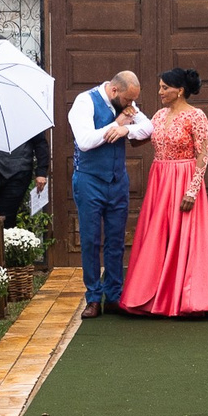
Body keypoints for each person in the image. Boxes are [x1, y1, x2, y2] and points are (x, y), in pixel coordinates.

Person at [121, 67, 208, 317]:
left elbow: (203, 154)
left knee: (184, 235)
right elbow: (138, 141)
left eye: (164, 88)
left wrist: (193, 190)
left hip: (184, 179)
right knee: (158, 234)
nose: (160, 92)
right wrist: (130, 118)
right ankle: (152, 294)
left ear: (180, 91)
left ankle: (187, 298)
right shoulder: (158, 115)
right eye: (160, 87)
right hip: (160, 179)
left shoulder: (196, 116)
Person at [66, 70, 151, 317]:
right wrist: (117, 124)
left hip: (117, 181)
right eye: (128, 100)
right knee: (90, 240)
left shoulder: (126, 105)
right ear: (114, 90)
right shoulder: (84, 102)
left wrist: (127, 131)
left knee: (116, 240)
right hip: (89, 180)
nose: (131, 105)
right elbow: (85, 141)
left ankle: (114, 295)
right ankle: (93, 297)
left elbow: (149, 126)